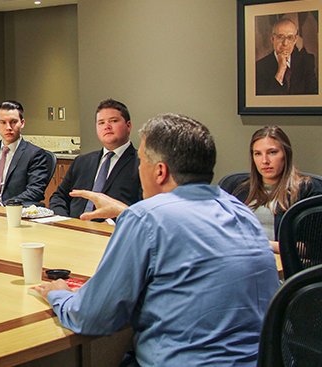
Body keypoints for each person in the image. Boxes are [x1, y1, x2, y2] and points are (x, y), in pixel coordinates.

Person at [32, 114, 280, 367]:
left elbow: (91, 317)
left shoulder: (146, 219)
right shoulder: (240, 212)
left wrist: (60, 295)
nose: (139, 170)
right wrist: (124, 211)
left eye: (141, 162)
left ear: (160, 171)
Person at [220, 126, 322, 252]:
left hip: (282, 267)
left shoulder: (308, 190)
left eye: (272, 152)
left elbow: (313, 249)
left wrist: (263, 244)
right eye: (257, 154)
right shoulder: (235, 188)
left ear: (286, 154)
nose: (264, 161)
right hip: (239, 260)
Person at [49, 99, 142, 219]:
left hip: (113, 232)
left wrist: (110, 224)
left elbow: (144, 208)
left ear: (128, 126)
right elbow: (59, 197)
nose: (107, 127)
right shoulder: (82, 162)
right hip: (73, 228)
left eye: (113, 121)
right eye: (101, 123)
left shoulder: (142, 164)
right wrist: (64, 221)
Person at [256, 18, 318, 95]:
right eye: (280, 37)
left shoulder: (306, 61)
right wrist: (281, 70)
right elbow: (263, 101)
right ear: (272, 39)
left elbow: (314, 96)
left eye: (290, 38)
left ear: (295, 40)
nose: (285, 43)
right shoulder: (259, 67)